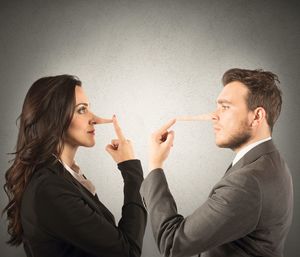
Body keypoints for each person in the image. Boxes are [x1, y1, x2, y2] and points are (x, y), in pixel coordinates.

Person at [141, 68, 293, 257]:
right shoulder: (269, 161)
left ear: (257, 116)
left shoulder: (248, 181)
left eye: (225, 107)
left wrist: (155, 165)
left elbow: (172, 244)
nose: (214, 115)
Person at [3, 75, 147, 257]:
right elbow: (128, 252)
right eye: (81, 110)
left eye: (88, 109)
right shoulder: (50, 189)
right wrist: (130, 168)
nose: (94, 118)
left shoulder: (64, 178)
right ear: (55, 118)